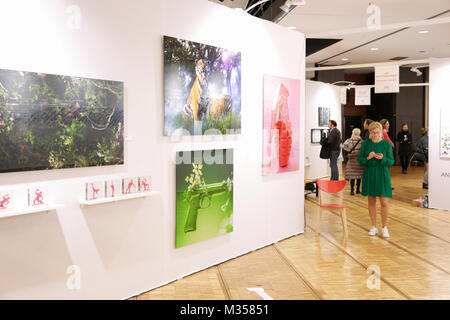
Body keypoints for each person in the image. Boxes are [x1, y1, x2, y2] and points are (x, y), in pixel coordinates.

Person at [358, 121, 395, 238]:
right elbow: (360, 159)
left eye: (377, 132)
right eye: (373, 132)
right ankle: (374, 226)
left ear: (381, 132)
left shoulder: (386, 145)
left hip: (382, 173)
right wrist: (367, 158)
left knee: (384, 201)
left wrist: (383, 159)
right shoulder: (365, 144)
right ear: (370, 132)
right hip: (369, 172)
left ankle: (384, 227)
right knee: (371, 201)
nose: (375, 135)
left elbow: (391, 161)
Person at [343, 128, 364, 195]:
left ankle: (352, 190)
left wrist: (349, 150)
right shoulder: (361, 141)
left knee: (352, 176)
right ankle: (358, 190)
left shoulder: (349, 140)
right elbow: (364, 149)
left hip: (351, 160)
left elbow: (344, 146)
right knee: (358, 176)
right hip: (359, 160)